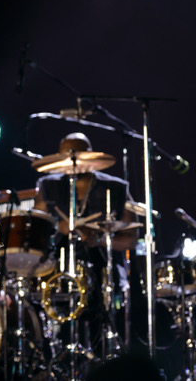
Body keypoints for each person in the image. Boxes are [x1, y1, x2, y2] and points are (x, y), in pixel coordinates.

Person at [33, 132, 139, 357]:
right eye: (67, 156)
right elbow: (36, 231)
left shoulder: (117, 188)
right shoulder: (47, 185)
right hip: (60, 274)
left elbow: (132, 236)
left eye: (78, 155)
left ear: (91, 157)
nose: (73, 161)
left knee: (105, 338)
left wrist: (100, 238)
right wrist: (56, 226)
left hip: (104, 275)